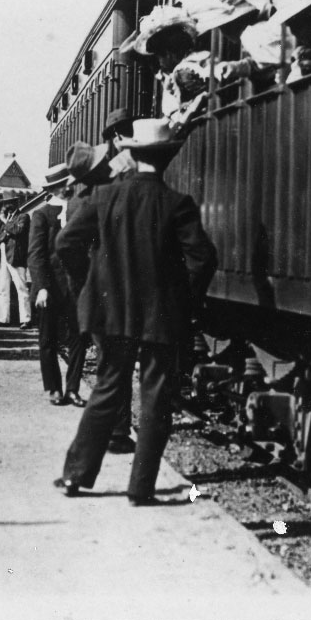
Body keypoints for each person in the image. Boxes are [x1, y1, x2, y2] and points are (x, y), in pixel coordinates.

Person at [55, 118, 217, 505]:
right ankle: (140, 489)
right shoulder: (177, 204)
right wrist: (184, 301)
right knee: (156, 397)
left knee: (108, 388)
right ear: (165, 159)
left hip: (111, 312)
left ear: (132, 153)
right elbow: (203, 258)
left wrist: (91, 283)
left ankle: (76, 477)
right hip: (161, 316)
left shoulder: (104, 197)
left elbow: (65, 243)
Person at [64, 140, 134, 454]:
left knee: (113, 363)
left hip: (101, 292)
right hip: (104, 293)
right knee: (112, 366)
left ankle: (116, 432)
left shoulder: (91, 196)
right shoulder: (95, 199)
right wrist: (88, 278)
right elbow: (66, 244)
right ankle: (113, 435)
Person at [28, 163, 87, 407]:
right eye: (67, 185)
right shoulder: (42, 214)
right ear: (57, 188)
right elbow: (36, 254)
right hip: (50, 287)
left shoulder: (80, 210)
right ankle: (52, 388)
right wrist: (41, 286)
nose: (71, 187)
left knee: (79, 338)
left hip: (76, 287)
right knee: (48, 339)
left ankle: (72, 389)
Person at [0, 203, 32, 328]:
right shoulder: (5, 218)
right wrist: (7, 234)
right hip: (2, 254)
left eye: (7, 203)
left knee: (21, 287)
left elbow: (18, 230)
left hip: (16, 256)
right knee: (3, 288)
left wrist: (5, 225)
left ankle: (26, 319)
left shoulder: (23, 216)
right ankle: (4, 318)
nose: (4, 206)